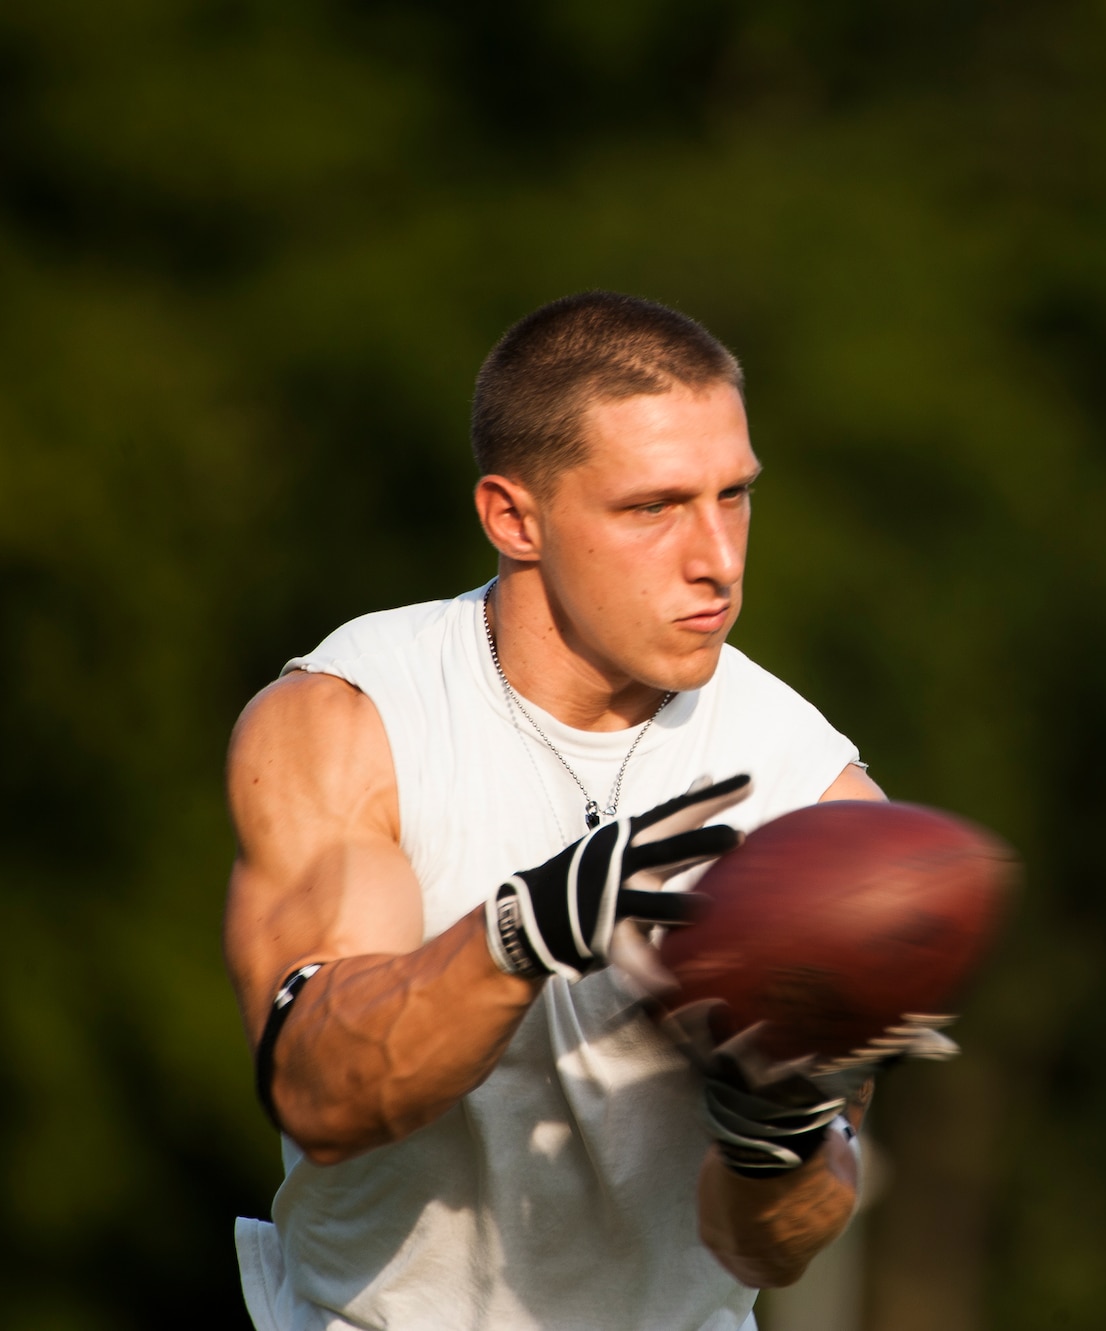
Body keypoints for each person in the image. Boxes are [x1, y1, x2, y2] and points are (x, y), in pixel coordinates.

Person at [224, 292, 890, 1331]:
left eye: (735, 495)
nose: (716, 557)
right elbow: (323, 1099)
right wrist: (514, 936)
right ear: (513, 516)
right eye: (654, 506)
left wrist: (779, 1139)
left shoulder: (812, 801)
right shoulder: (354, 720)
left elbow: (769, 1247)